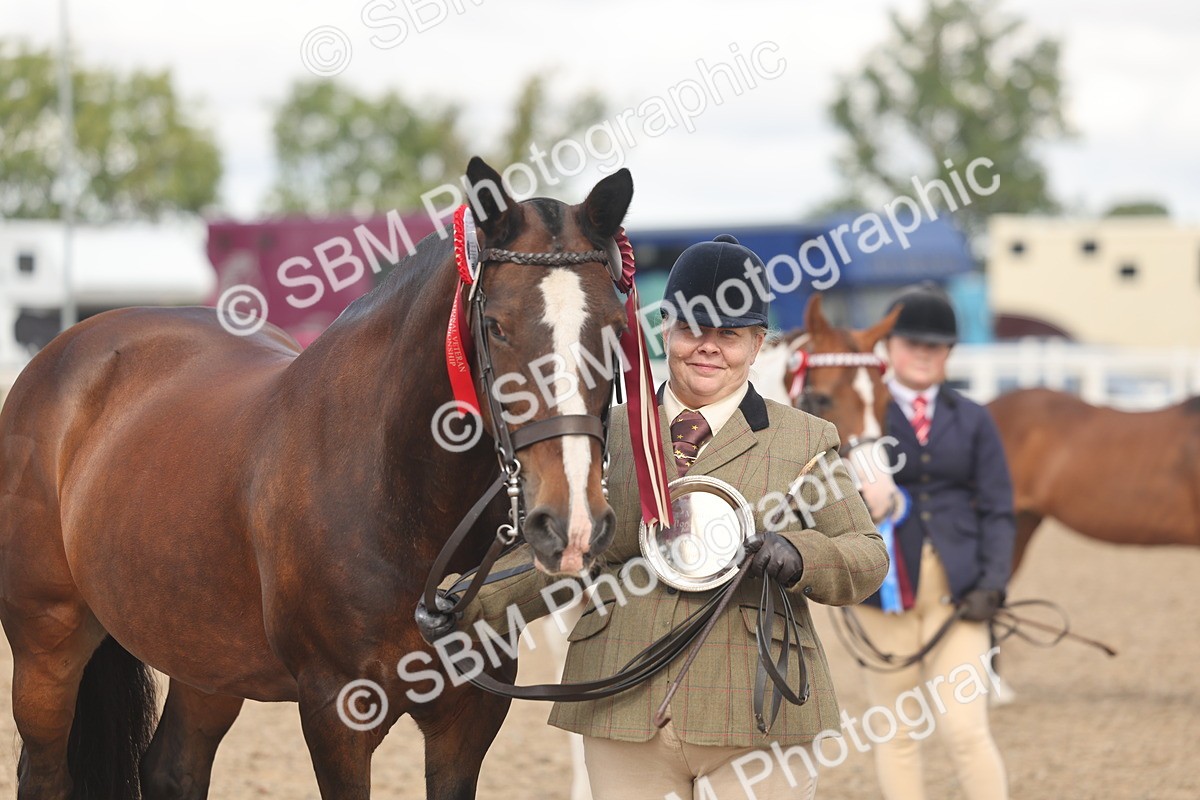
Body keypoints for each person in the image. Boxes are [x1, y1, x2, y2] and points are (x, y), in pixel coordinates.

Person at [417, 235, 889, 799]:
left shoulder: (806, 439)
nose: (707, 348)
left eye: (729, 335)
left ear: (758, 344)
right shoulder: (603, 431)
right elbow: (568, 552)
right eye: (692, 329)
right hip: (622, 704)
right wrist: (470, 601)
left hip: (757, 707)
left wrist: (800, 554)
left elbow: (867, 554)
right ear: (665, 327)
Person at [854, 282, 1015, 800]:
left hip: (958, 600)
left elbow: (997, 508)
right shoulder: (864, 415)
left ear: (948, 353)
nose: (924, 353)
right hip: (884, 600)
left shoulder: (973, 419)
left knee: (966, 731)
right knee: (897, 733)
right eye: (912, 343)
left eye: (936, 346)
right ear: (888, 347)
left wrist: (993, 582)